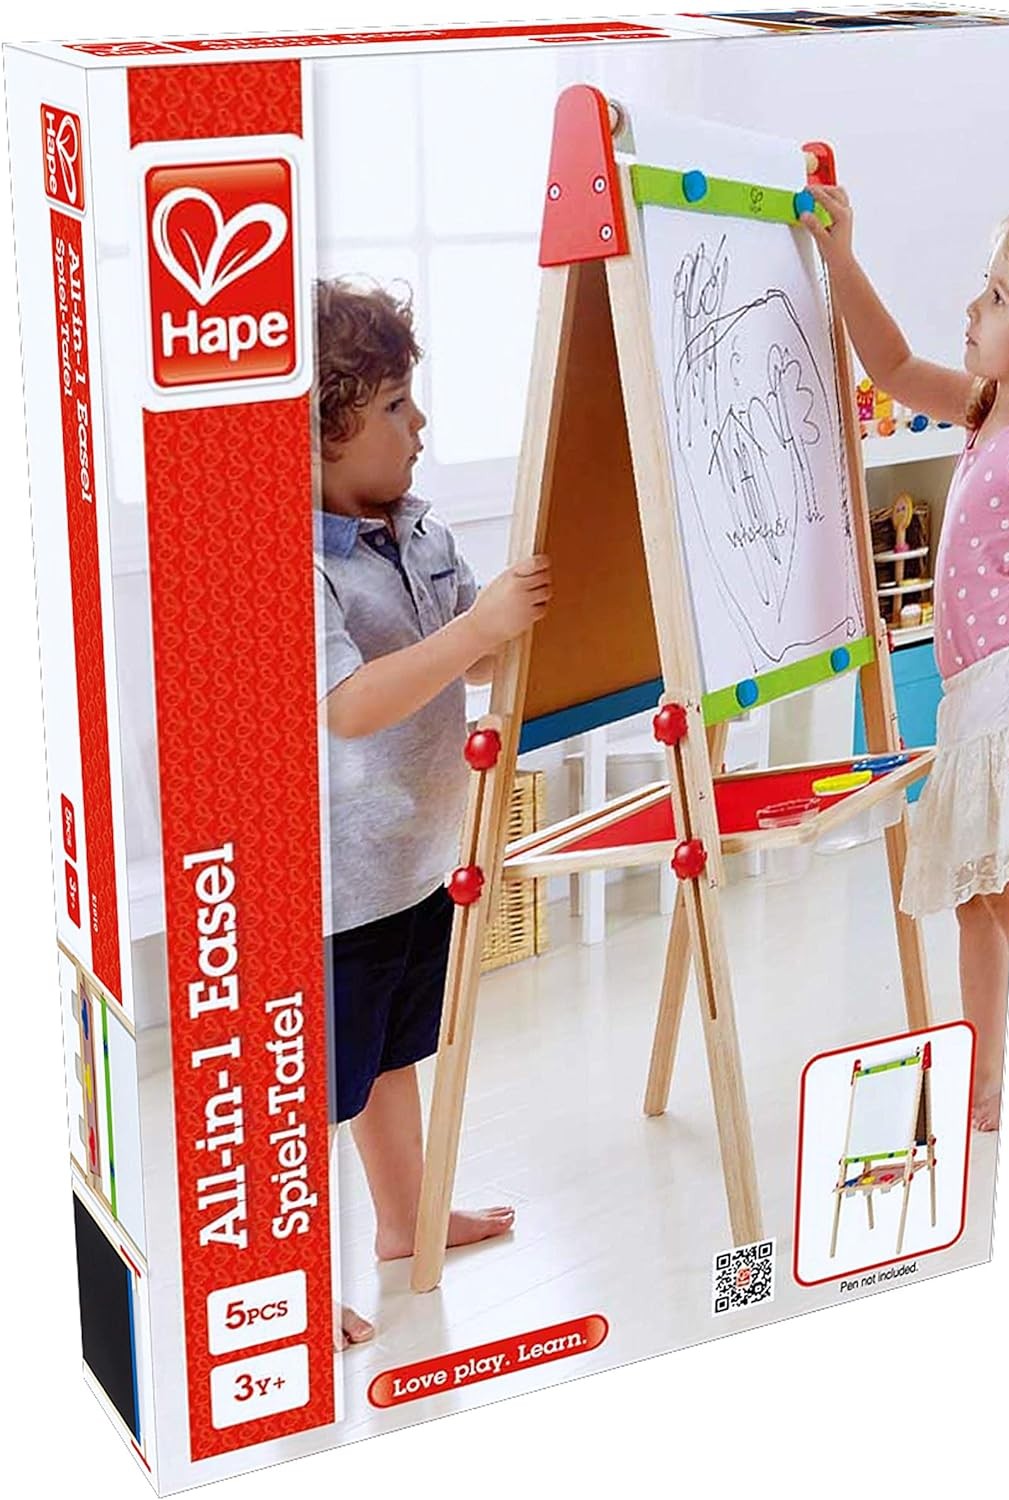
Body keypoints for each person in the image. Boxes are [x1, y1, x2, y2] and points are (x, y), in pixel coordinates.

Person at [314, 278, 552, 1345]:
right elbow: (349, 705)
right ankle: (290, 1284)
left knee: (391, 1055)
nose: (420, 426)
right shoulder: (302, 563)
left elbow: (476, 651)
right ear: (328, 429)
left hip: (417, 858)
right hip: (340, 882)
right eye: (396, 406)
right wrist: (476, 632)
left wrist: (512, 621)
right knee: (323, 1090)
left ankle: (404, 1222)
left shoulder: (422, 533)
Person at [800, 188, 1009, 1132]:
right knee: (977, 905)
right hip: (969, 703)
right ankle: (983, 1078)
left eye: (997, 298)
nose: (972, 308)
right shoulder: (987, 407)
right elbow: (895, 366)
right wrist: (842, 257)